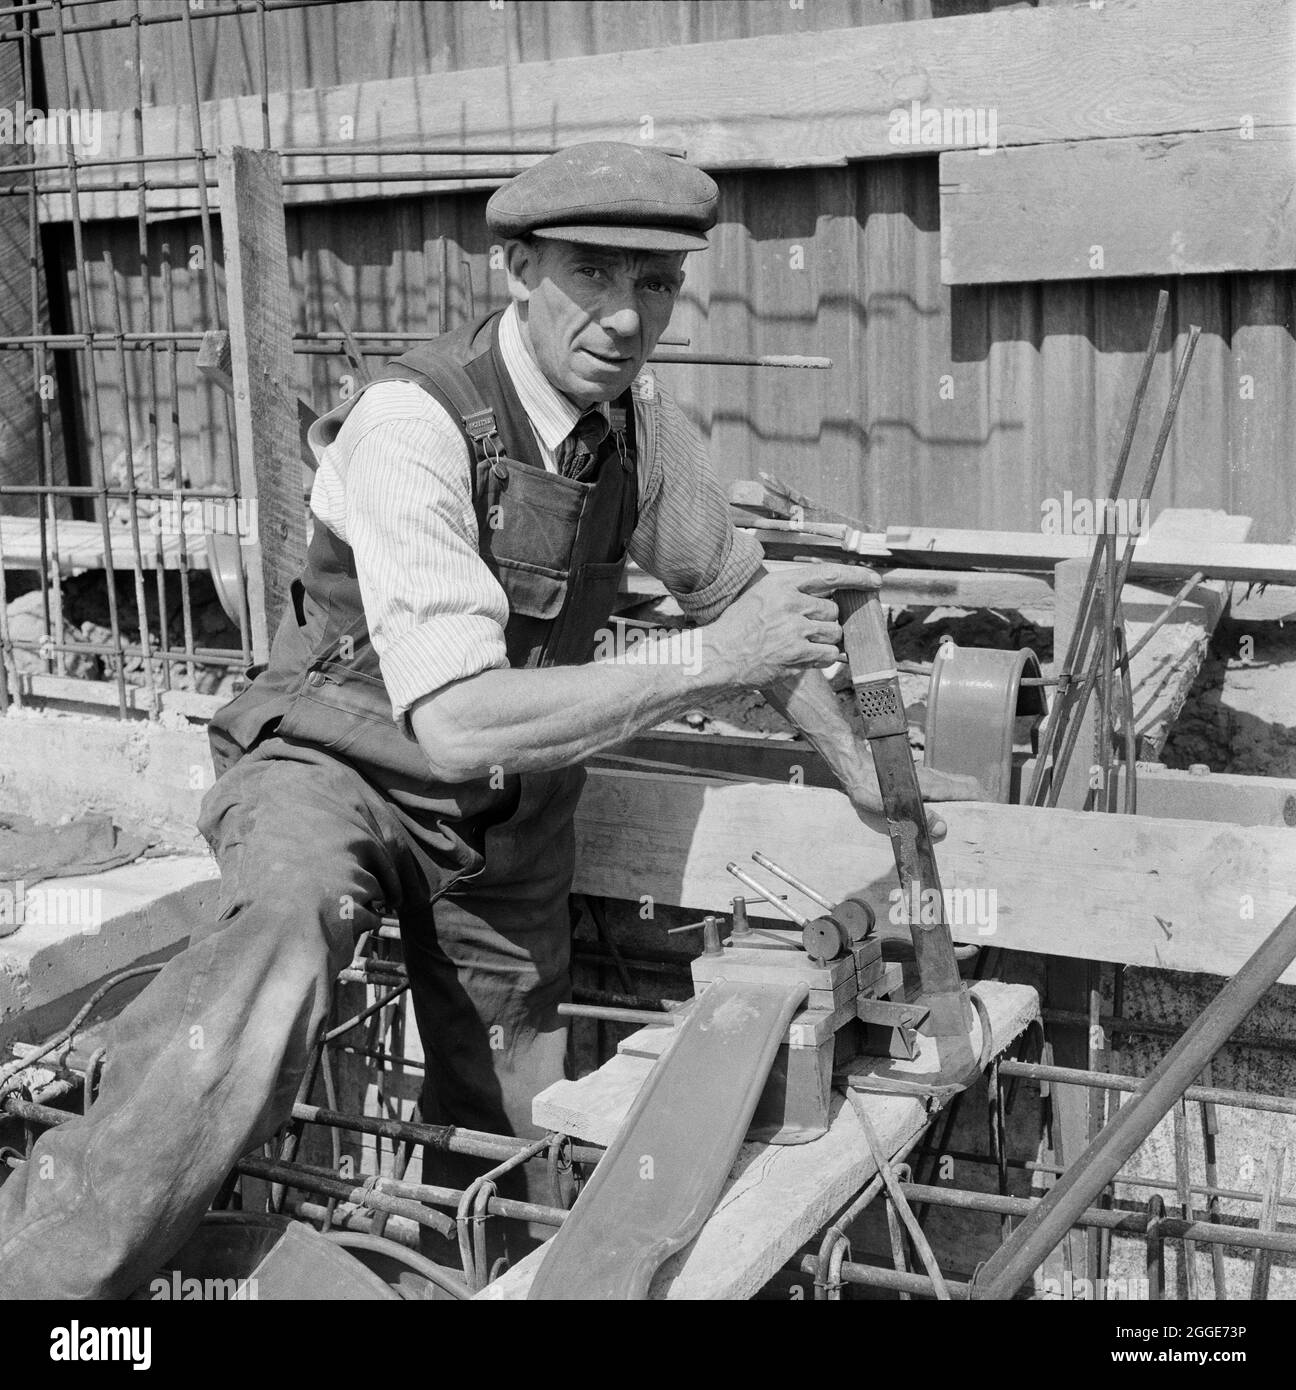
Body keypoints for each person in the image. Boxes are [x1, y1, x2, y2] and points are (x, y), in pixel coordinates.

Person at [0, 142, 977, 1298]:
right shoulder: (413, 424)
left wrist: (859, 767)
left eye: (655, 283)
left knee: (515, 1127)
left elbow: (732, 591)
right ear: (518, 267)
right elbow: (461, 720)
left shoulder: (640, 434)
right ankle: (52, 1275)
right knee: (281, 941)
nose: (625, 317)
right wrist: (711, 661)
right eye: (593, 275)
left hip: (507, 815)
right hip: (338, 772)